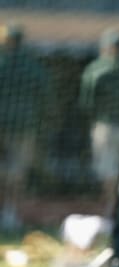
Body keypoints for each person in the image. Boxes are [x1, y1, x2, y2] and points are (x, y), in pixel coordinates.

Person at [0, 23, 51, 231]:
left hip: (3, 125)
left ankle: (7, 210)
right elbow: (46, 96)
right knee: (18, 170)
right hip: (25, 126)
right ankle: (11, 211)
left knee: (9, 170)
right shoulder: (33, 66)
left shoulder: (2, 62)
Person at [78, 28, 119, 216]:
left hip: (105, 125)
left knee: (107, 169)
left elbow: (86, 102)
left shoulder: (96, 69)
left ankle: (111, 207)